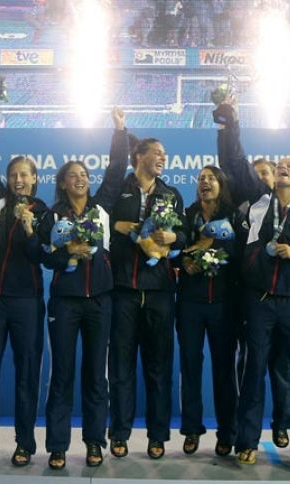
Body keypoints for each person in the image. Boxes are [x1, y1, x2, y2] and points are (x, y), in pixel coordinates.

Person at [217, 101, 290, 466]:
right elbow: (234, 163)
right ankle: (247, 441)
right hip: (260, 301)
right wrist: (230, 124)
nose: (282, 169)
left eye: (289, 167)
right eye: (278, 166)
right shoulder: (258, 203)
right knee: (253, 372)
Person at [39, 108, 128, 469]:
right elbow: (45, 257)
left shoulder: (102, 207)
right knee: (61, 374)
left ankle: (95, 442)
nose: (80, 178)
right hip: (65, 303)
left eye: (84, 175)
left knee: (96, 375)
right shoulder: (52, 214)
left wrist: (119, 131)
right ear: (62, 183)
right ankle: (58, 445)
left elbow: (115, 170)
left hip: (99, 303)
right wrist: (66, 255)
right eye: (73, 175)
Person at [0, 132, 48, 468]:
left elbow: (40, 255)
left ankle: (25, 444)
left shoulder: (44, 212)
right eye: (14, 174)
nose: (19, 179)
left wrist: (29, 227)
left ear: (34, 179)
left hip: (27, 303)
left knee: (27, 374)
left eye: (25, 174)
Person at [108, 124, 186, 460]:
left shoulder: (171, 194)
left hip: (159, 292)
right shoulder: (117, 191)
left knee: (158, 366)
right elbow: (99, 226)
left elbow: (184, 237)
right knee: (122, 366)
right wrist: (115, 226)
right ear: (138, 157)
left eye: (165, 156)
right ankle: (120, 434)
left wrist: (174, 239)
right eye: (157, 153)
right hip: (124, 290)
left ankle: (157, 436)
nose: (163, 159)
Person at [176, 164, 239, 456]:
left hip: (225, 305)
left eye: (211, 178)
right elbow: (173, 249)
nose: (205, 182)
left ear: (221, 184)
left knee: (224, 371)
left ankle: (227, 432)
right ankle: (191, 429)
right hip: (190, 303)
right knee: (190, 367)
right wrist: (182, 264)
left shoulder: (235, 216)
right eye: (201, 179)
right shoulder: (186, 215)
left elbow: (239, 254)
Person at [234, 158, 290, 449]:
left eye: (265, 173)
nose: (261, 178)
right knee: (248, 367)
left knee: (280, 369)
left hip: (285, 302)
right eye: (256, 174)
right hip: (252, 301)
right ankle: (246, 433)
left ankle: (282, 424)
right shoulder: (245, 212)